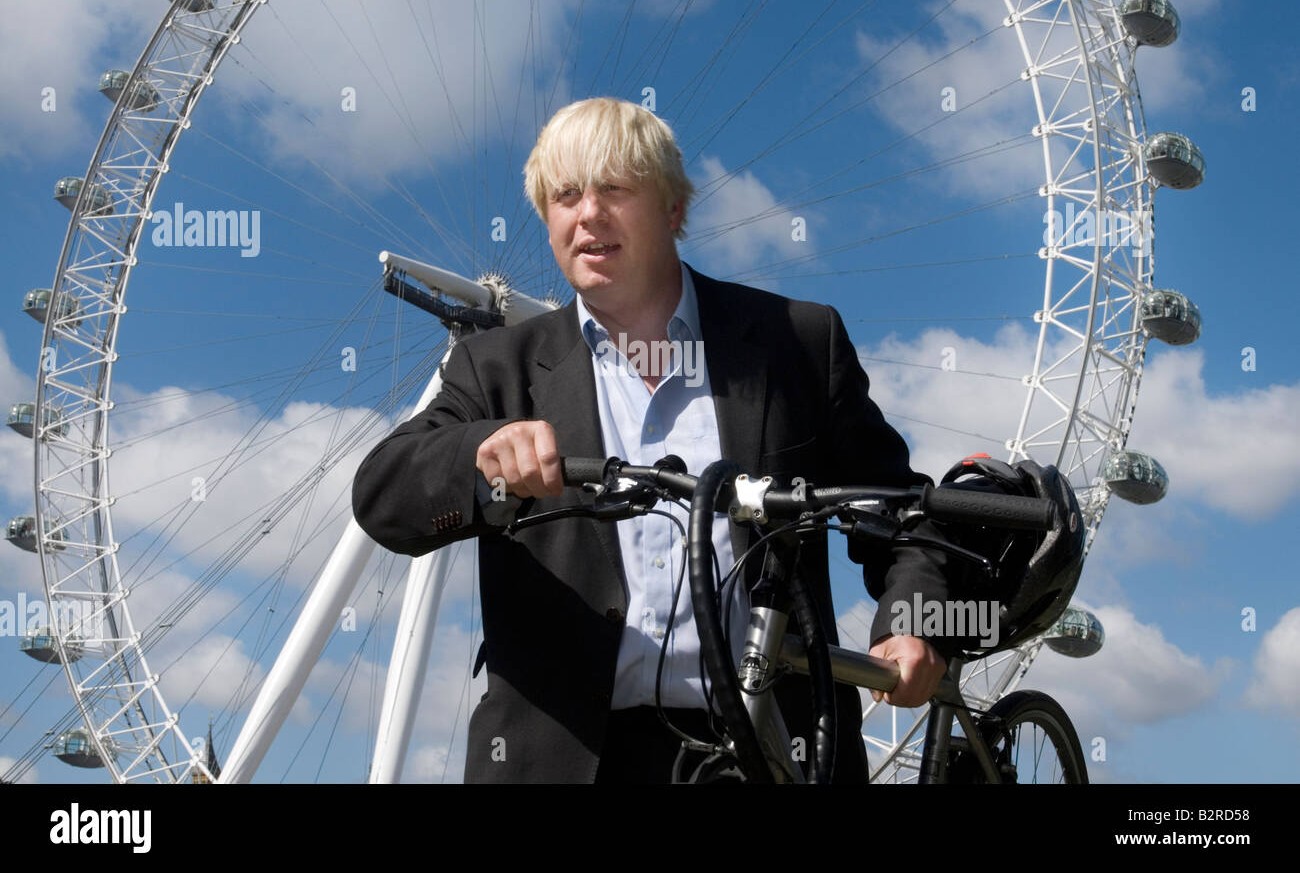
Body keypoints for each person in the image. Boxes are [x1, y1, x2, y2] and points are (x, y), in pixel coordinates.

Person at [351, 97, 953, 783]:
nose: (587, 215)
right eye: (565, 195)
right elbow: (383, 494)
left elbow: (905, 513)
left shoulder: (797, 344)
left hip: (769, 751)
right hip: (567, 758)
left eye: (613, 189)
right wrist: (480, 457)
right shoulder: (495, 369)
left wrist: (912, 622)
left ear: (673, 210)